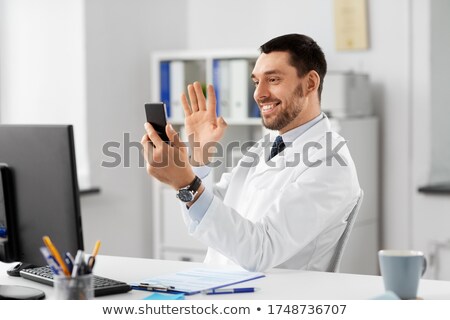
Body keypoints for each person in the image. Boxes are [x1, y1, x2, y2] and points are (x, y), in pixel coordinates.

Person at [141, 34, 361, 272]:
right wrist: (198, 160)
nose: (259, 94)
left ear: (310, 83)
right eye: (256, 82)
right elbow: (207, 214)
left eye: (273, 79)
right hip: (217, 288)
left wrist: (185, 183)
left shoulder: (330, 162)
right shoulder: (265, 147)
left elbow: (261, 251)